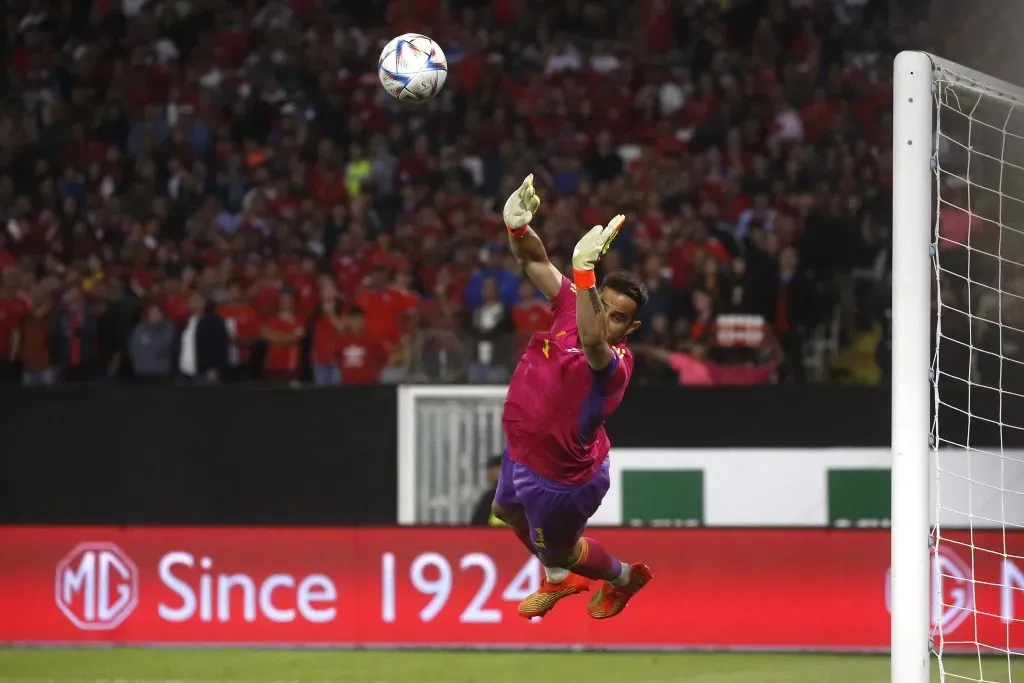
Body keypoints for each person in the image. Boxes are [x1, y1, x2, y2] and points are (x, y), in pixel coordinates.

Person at [491, 174, 652, 621]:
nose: (609, 319)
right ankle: (560, 576)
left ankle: (622, 577)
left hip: (561, 480)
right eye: (604, 304)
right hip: (522, 450)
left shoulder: (614, 364)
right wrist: (518, 229)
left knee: (567, 552)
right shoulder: (570, 302)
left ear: (630, 329)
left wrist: (584, 276)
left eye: (620, 318)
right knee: (503, 509)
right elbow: (534, 263)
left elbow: (593, 339)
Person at [470, 455, 506, 527]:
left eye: (490, 469)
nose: (488, 473)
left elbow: (477, 523)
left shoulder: (493, 494)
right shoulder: (521, 492)